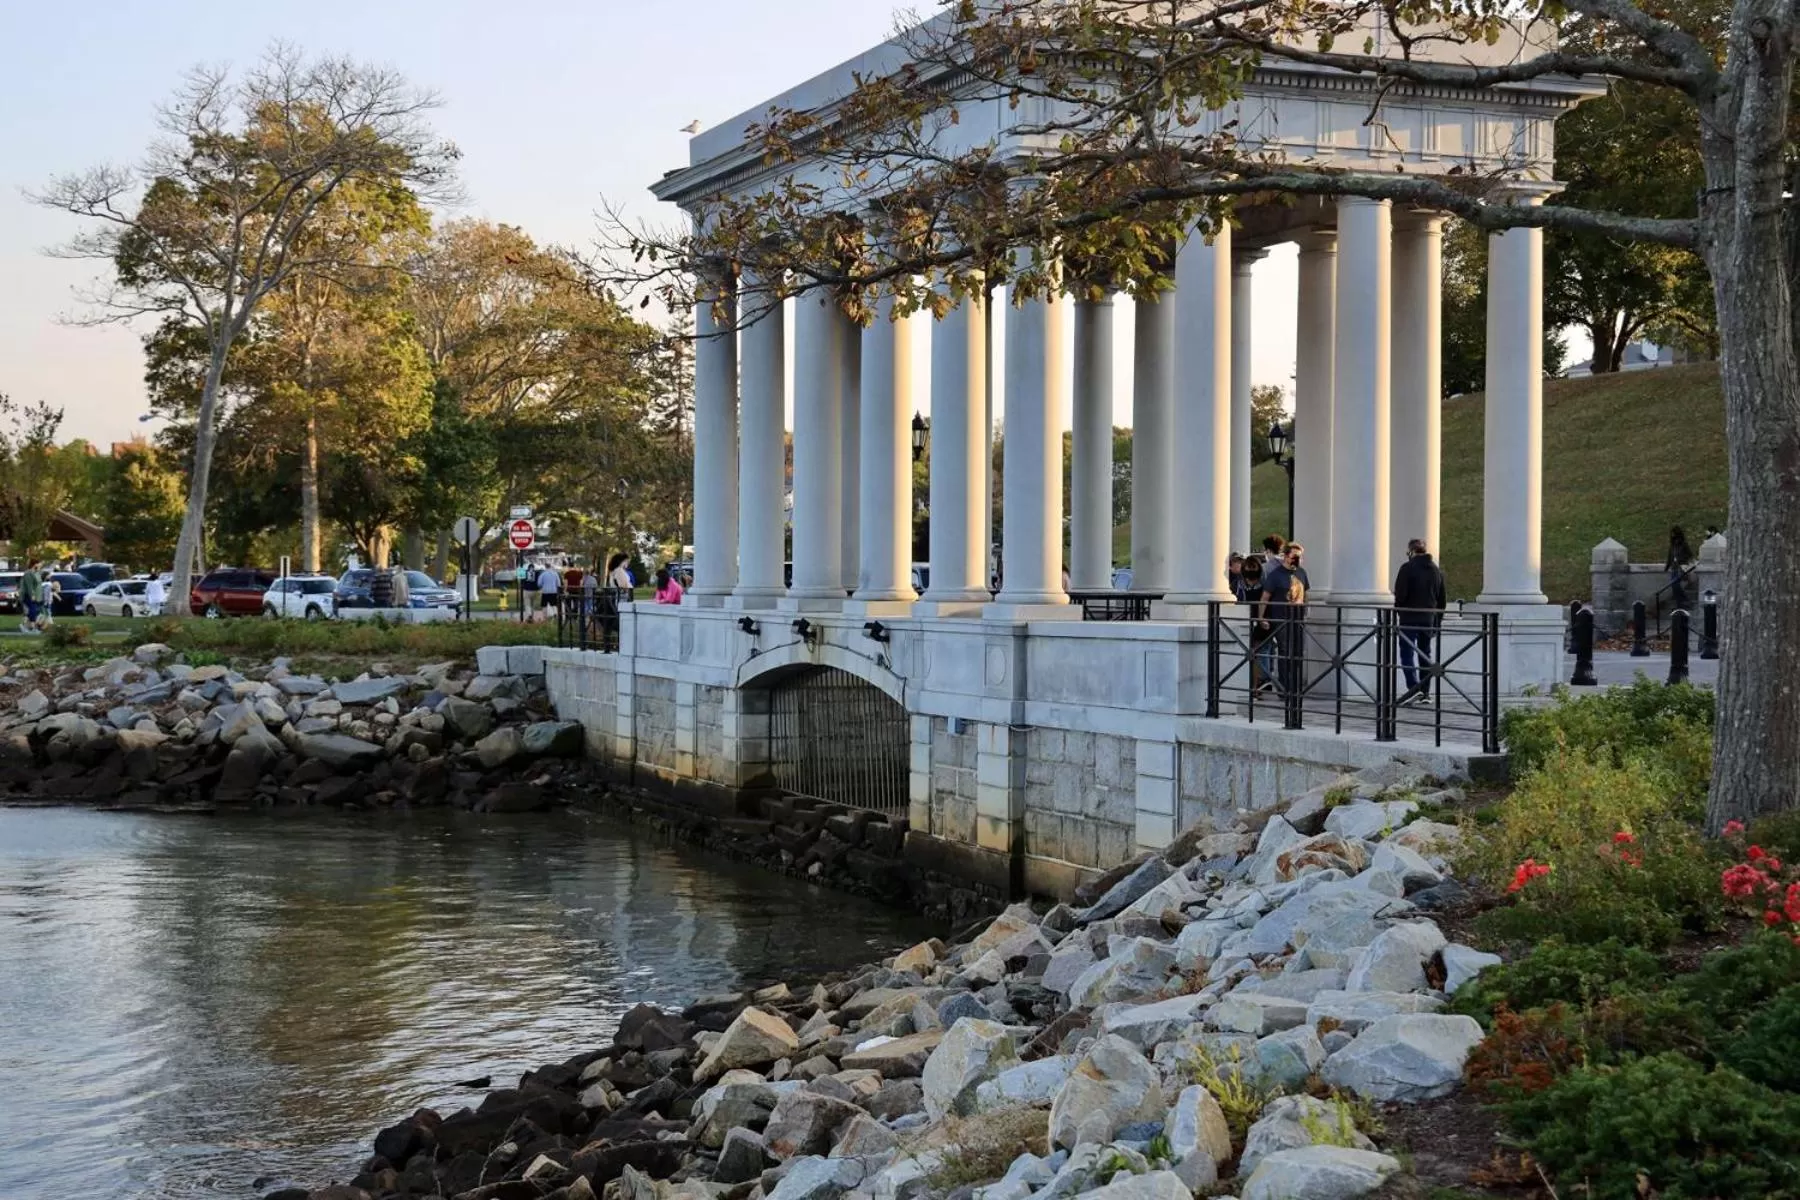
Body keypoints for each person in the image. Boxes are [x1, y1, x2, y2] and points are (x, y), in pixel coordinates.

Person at [1393, 537, 1447, 705]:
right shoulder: (1436, 571)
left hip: (1409, 617)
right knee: (1425, 655)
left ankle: (1413, 688)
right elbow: (1442, 600)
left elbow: (1400, 594)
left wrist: (1399, 610)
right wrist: (1437, 621)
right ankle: (1425, 692)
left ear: (1411, 551)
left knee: (1407, 654)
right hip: (1429, 618)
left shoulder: (1407, 568)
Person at [1665, 525, 1695, 609]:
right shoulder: (1672, 546)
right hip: (1674, 568)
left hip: (1681, 567)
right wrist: (1667, 567)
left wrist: (1682, 559)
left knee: (1676, 585)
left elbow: (1690, 555)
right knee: (1674, 586)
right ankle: (1679, 604)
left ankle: (1686, 600)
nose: (1672, 535)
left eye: (1673, 534)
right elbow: (1669, 557)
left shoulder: (1683, 544)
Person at [19, 559, 42, 634]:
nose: (40, 565)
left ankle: (27, 626)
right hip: (28, 595)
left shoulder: (35, 573)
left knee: (33, 611)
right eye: (39, 564)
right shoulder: (28, 573)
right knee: (33, 610)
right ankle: (30, 627)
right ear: (35, 564)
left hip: (34, 595)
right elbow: (29, 586)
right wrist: (32, 595)